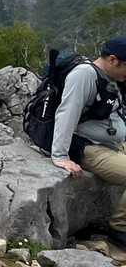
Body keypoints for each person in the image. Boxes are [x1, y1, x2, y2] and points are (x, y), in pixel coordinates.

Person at [50, 39, 126, 246]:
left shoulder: (109, 77)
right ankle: (120, 228)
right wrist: (60, 156)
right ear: (113, 60)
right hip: (88, 147)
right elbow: (67, 113)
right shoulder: (84, 75)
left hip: (111, 144)